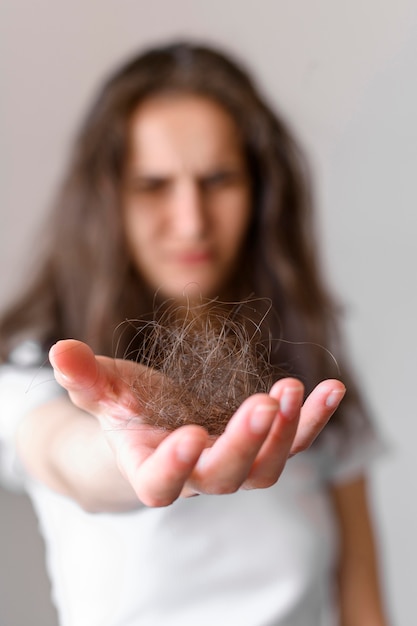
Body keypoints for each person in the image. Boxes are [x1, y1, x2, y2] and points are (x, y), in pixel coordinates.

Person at [0, 41, 388, 625]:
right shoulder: (36, 367)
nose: (191, 220)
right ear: (106, 202)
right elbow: (63, 454)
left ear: (261, 192)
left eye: (219, 180)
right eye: (153, 185)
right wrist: (123, 446)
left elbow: (364, 601)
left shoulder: (306, 362)